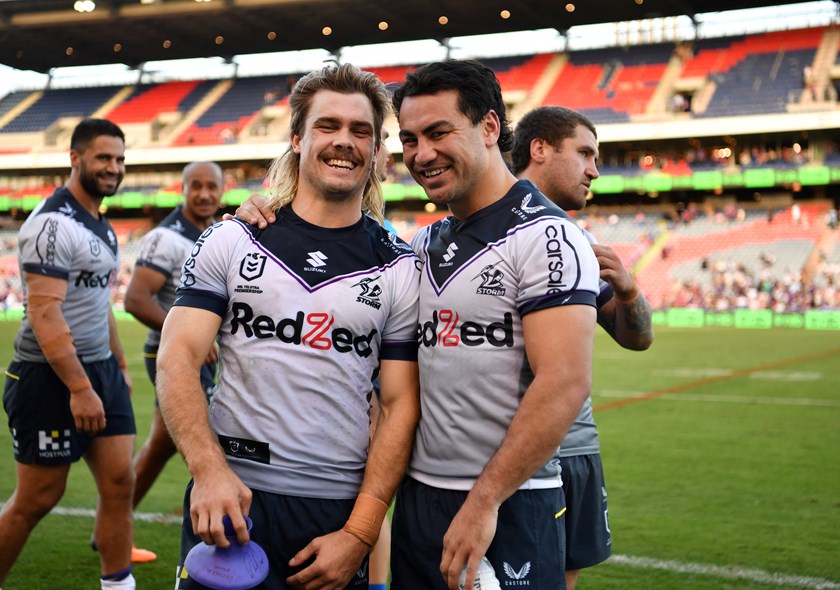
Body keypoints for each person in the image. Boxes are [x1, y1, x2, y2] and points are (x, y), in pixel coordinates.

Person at [156, 62, 421, 589]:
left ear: (376, 150)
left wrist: (362, 531)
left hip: (333, 515)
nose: (343, 141)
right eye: (328, 125)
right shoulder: (232, 239)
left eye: (360, 130)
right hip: (231, 496)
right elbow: (177, 357)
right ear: (298, 138)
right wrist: (208, 470)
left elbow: (397, 405)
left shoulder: (400, 266)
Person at [391, 60, 600, 590]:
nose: (421, 154)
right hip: (419, 498)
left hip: (510, 501)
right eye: (410, 139)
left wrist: (485, 501)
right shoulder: (423, 243)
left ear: (489, 127)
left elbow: (564, 382)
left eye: (438, 133)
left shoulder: (547, 235)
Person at [510, 105, 654, 589]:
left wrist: (628, 293)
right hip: (497, 447)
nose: (595, 170)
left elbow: (639, 339)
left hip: (573, 446)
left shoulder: (581, 241)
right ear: (540, 149)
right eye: (585, 154)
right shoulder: (482, 228)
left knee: (561, 577)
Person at [0, 118, 137, 590]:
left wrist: (118, 364)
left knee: (119, 483)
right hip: (47, 377)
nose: (113, 168)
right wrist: (79, 387)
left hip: (101, 371)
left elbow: (98, 305)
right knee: (38, 498)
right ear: (75, 158)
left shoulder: (100, 223)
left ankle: (117, 586)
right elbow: (44, 313)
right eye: (103, 158)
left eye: (119, 159)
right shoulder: (53, 224)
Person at [118, 161, 224, 562]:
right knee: (209, 444)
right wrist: (186, 334)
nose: (204, 194)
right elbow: (135, 299)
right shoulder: (166, 237)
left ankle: (111, 526)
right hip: (172, 352)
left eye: (211, 186)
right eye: (196, 186)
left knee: (161, 446)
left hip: (201, 352)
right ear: (183, 189)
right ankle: (216, 543)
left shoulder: (214, 233)